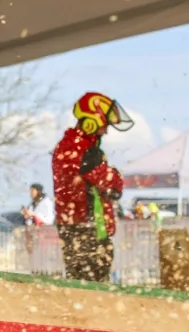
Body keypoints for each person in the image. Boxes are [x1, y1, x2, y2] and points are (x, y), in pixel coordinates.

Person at [52, 92, 131, 282]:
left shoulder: (67, 146)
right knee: (94, 283)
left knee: (78, 279)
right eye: (104, 125)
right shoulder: (87, 151)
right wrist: (114, 174)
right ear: (90, 122)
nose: (105, 131)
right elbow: (112, 183)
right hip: (88, 226)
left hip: (73, 224)